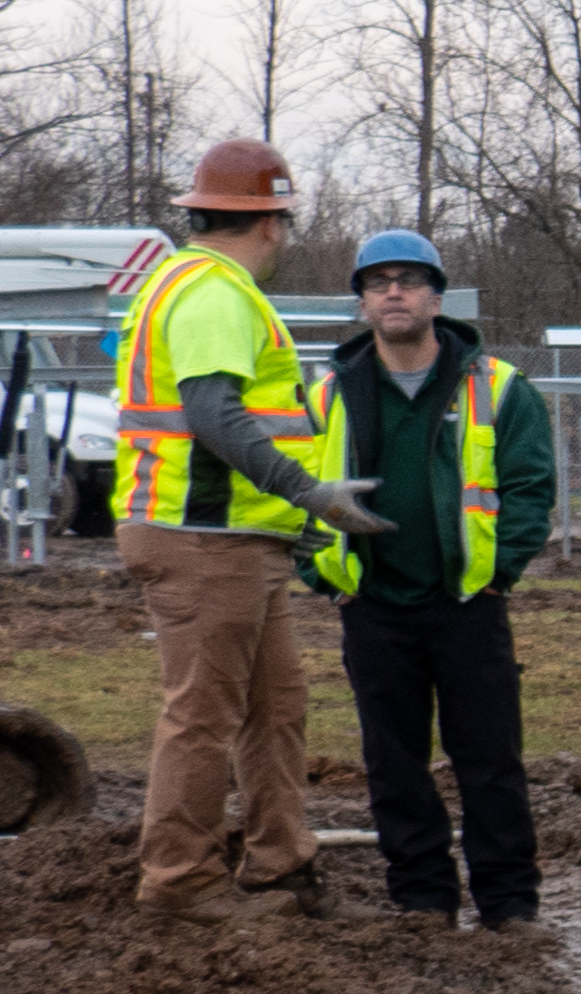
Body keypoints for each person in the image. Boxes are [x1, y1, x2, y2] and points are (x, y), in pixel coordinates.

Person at [107, 140, 378, 914]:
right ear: (270, 224)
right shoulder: (216, 294)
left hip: (234, 542)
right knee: (204, 717)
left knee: (275, 708)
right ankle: (180, 880)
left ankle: (279, 863)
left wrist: (291, 515)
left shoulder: (188, 285)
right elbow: (214, 414)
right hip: (203, 544)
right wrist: (310, 493)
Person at [301, 230, 555, 928]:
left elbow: (531, 490)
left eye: (408, 280)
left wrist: (498, 574)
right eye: (377, 282)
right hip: (374, 607)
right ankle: (422, 900)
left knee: (491, 763)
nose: (393, 292)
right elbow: (290, 496)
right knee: (393, 766)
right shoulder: (326, 396)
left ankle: (508, 903)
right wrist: (325, 578)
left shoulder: (499, 388)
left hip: (468, 607)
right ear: (360, 302)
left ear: (437, 297)